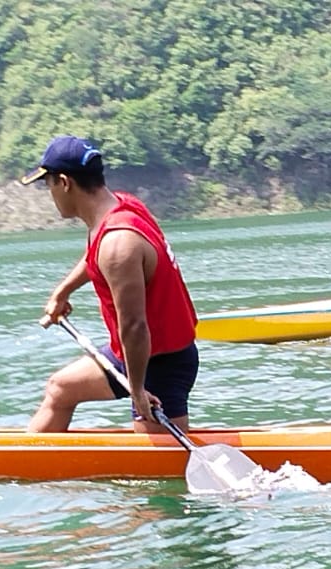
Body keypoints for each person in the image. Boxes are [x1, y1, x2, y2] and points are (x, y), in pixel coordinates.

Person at [19, 135, 200, 435]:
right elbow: (96, 257)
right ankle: (26, 467)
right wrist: (62, 292)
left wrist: (139, 391)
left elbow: (134, 327)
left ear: (64, 182)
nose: (49, 193)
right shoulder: (123, 206)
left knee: (154, 475)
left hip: (160, 362)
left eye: (47, 184)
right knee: (60, 388)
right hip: (135, 351)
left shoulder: (119, 244)